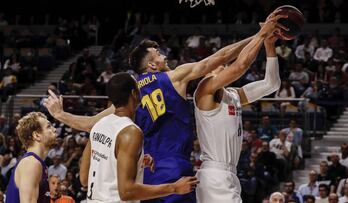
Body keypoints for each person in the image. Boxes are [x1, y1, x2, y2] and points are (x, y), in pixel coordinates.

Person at [43, 14, 277, 203]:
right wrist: (258, 34)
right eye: (159, 54)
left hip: (147, 175)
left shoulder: (131, 95)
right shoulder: (174, 78)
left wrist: (60, 114)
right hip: (175, 167)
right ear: (153, 65)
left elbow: (91, 123)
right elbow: (219, 58)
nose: (164, 55)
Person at [193, 11, 285, 202]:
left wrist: (269, 45)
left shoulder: (233, 95)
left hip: (229, 173)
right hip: (215, 173)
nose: (223, 66)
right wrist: (261, 34)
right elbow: (240, 67)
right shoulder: (204, 89)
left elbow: (272, 84)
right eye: (219, 64)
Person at [75, 73, 198, 202]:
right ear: (134, 93)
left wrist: (137, 161)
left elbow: (84, 179)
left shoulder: (99, 125)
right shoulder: (130, 132)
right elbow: (127, 192)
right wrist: (174, 188)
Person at [5, 112, 57, 203]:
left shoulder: (37, 163)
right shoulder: (31, 163)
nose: (55, 130)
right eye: (49, 126)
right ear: (36, 135)